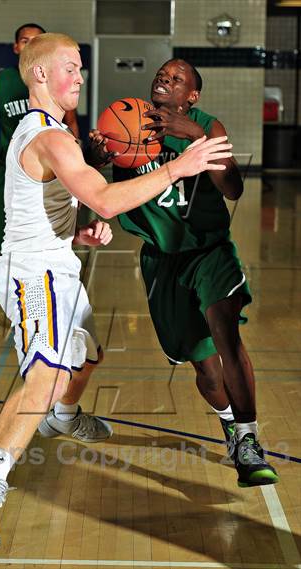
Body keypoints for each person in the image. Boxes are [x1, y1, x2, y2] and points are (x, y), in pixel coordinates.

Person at [0, 34, 232, 550]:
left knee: (86, 355)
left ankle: (61, 417)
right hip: (35, 275)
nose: (80, 77)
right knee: (47, 376)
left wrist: (74, 232)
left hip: (55, 261)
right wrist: (177, 167)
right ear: (40, 75)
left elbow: (45, 204)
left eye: (80, 68)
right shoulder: (48, 136)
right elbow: (102, 198)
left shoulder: (53, 132)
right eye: (71, 68)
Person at [91, 58, 278, 488]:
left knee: (226, 331)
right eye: (162, 74)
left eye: (177, 78)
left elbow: (234, 188)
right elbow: (91, 179)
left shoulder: (207, 126)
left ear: (191, 96)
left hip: (210, 251)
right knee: (207, 371)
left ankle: (248, 439)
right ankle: (230, 423)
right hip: (162, 259)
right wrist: (95, 155)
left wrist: (196, 138)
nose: (165, 78)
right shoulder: (124, 119)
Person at [0, 23, 80, 343]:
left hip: (49, 172)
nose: (30, 44)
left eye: (36, 41)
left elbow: (71, 124)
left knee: (48, 244)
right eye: (24, 41)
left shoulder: (57, 81)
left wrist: (80, 164)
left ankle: (44, 312)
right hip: (10, 173)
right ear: (16, 48)